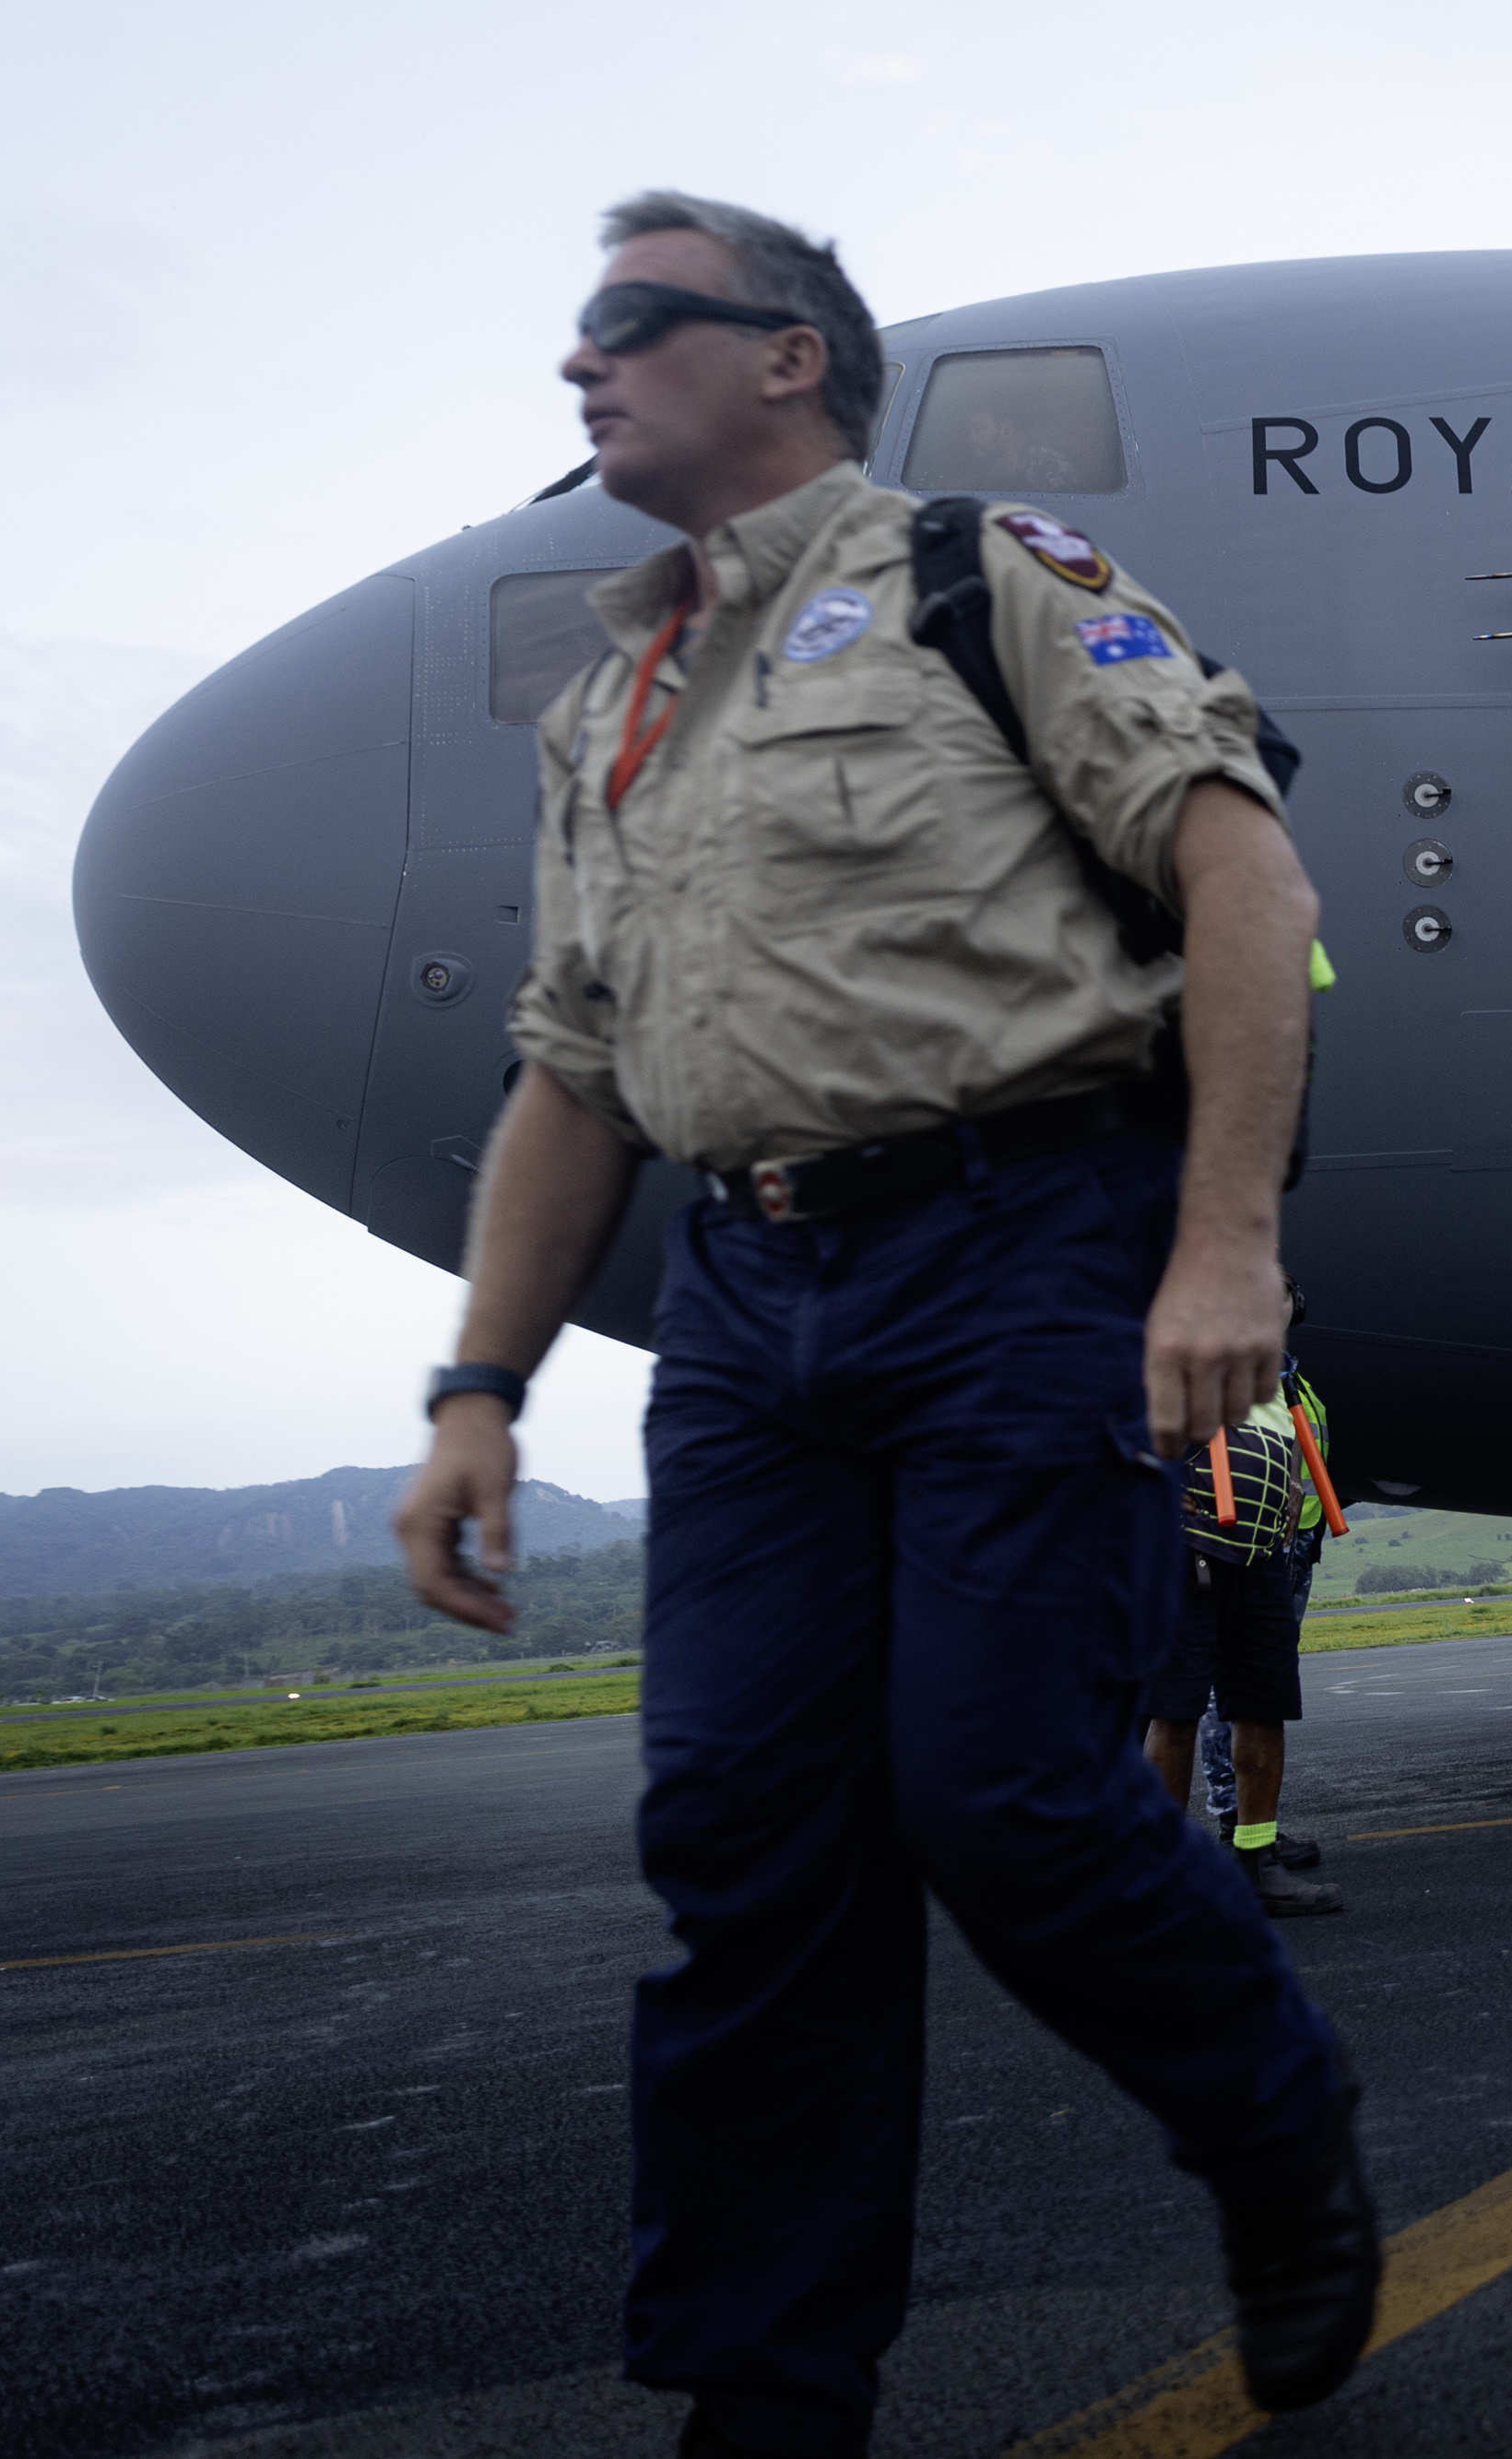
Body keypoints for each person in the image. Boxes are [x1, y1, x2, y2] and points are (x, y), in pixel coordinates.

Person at [390, 192, 1376, 2448]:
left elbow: (1244, 872)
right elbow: (567, 1074)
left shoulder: (977, 579)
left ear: (789, 361)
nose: (584, 362)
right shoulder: (609, 703)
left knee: (1010, 1797)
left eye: (637, 322)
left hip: (1016, 1241)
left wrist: (1223, 1244)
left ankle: (1269, 2119)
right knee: (744, 1845)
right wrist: (476, 1393)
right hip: (749, 1299)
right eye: (580, 327)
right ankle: (767, 2390)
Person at [1140, 1291, 1340, 1917]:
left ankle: (1259, 1863)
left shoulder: (1278, 1375)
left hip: (1261, 1562)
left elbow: (1273, 1441)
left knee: (1262, 1707)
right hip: (1192, 1555)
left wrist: (1286, 1489)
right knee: (1173, 1711)